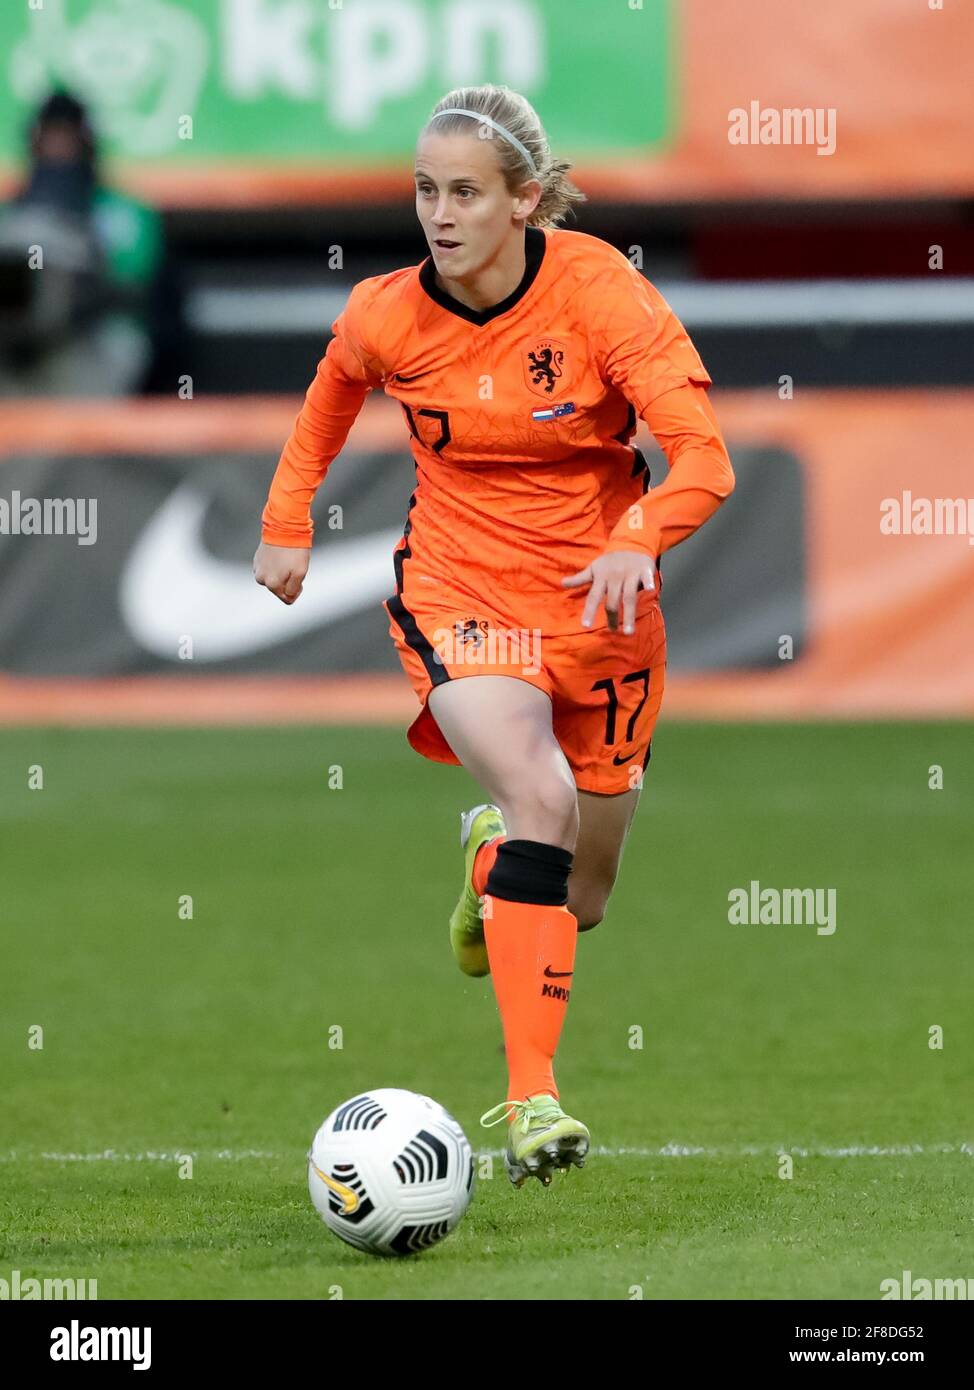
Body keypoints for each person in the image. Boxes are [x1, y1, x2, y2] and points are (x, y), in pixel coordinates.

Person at [254, 84, 735, 1189]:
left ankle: (486, 864)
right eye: (424, 189)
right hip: (459, 590)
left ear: (525, 199)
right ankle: (532, 1098)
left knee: (582, 892)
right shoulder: (386, 314)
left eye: (464, 191)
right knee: (544, 801)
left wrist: (638, 533)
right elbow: (326, 402)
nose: (439, 212)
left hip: (603, 611)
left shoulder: (602, 295)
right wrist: (286, 523)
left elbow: (702, 456)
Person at [0, 90, 173, 397]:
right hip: (14, 362)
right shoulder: (10, 219)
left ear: (87, 143)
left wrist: (76, 291)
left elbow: (142, 295)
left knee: (120, 341)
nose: (59, 151)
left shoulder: (125, 214)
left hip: (87, 351)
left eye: (68, 140)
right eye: (50, 140)